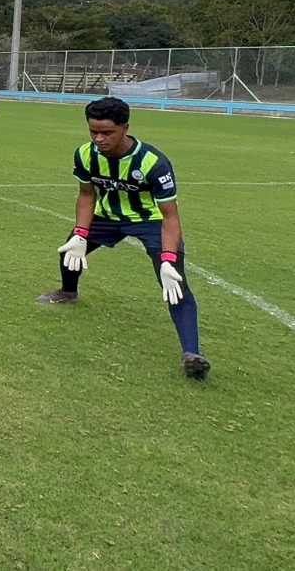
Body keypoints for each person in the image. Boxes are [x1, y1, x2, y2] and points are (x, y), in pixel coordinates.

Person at [38, 97, 209, 381]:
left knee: (175, 282)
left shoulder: (153, 162)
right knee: (68, 250)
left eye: (107, 132)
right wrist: (80, 233)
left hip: (150, 221)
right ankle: (68, 292)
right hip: (106, 217)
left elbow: (170, 217)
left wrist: (168, 259)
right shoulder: (85, 154)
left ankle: (192, 354)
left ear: (125, 128)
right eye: (93, 132)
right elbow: (87, 194)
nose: (99, 139)